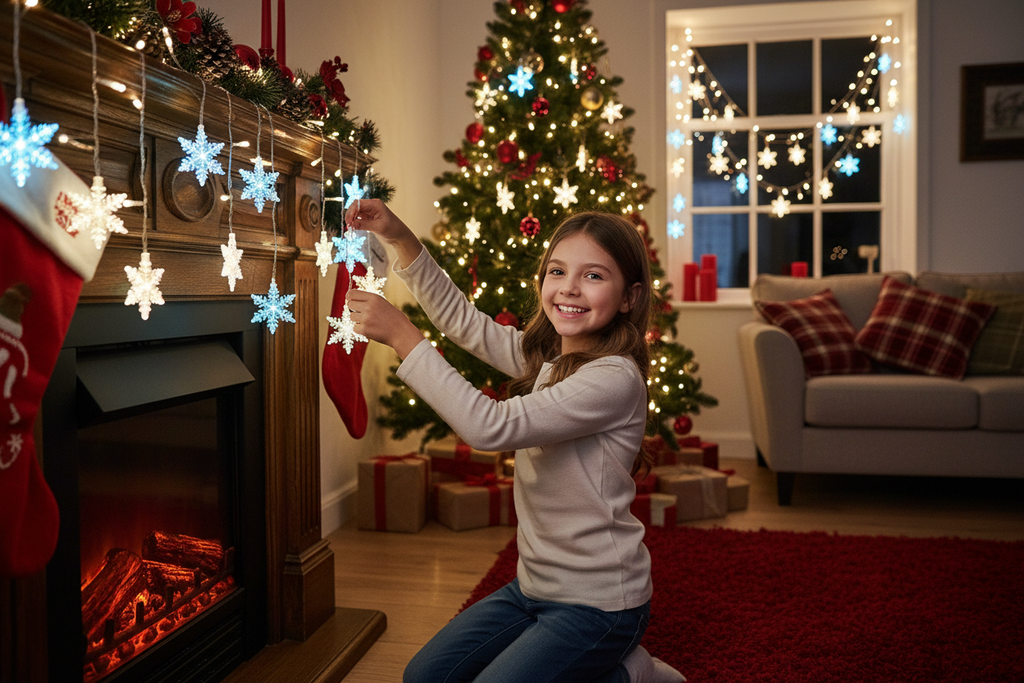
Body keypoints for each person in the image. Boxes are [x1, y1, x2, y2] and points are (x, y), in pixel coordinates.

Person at [344, 199, 684, 683]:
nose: (568, 287)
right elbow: (464, 321)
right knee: (423, 677)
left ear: (629, 297)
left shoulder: (613, 379)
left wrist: (404, 337)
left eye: (593, 276)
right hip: (533, 588)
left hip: (600, 604)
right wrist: (399, 236)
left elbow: (490, 426)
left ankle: (631, 671)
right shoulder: (548, 360)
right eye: (557, 271)